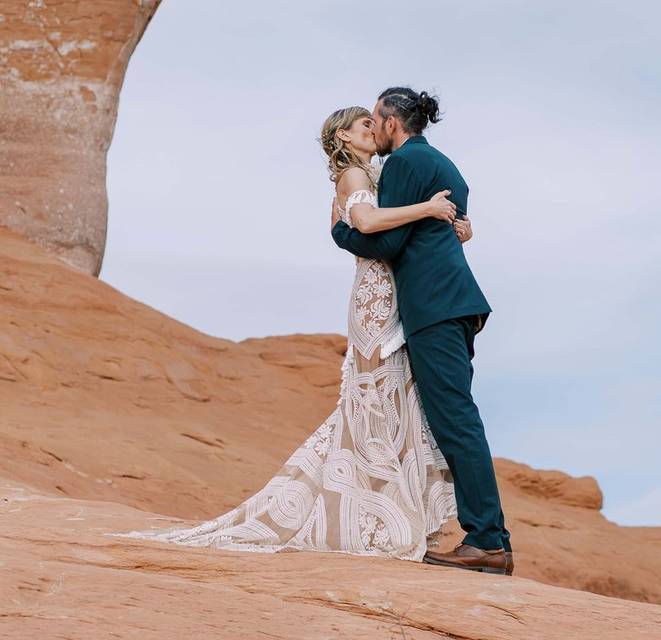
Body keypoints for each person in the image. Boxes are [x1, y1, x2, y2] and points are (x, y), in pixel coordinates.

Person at [105, 105, 475, 564]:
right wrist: (430, 208)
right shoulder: (354, 180)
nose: (372, 129)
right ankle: (378, 516)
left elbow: (378, 230)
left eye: (373, 121)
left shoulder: (375, 179)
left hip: (396, 297)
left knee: (396, 401)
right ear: (343, 136)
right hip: (376, 303)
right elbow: (366, 224)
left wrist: (449, 225)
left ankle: (387, 513)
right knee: (379, 401)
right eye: (364, 124)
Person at [331, 87, 512, 575]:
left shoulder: (404, 165)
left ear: (392, 122)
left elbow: (387, 242)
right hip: (454, 301)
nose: (373, 127)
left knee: (455, 418)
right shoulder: (443, 163)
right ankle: (485, 534)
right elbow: (454, 223)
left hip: (434, 305)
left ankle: (488, 541)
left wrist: (341, 232)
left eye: (375, 119)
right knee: (453, 417)